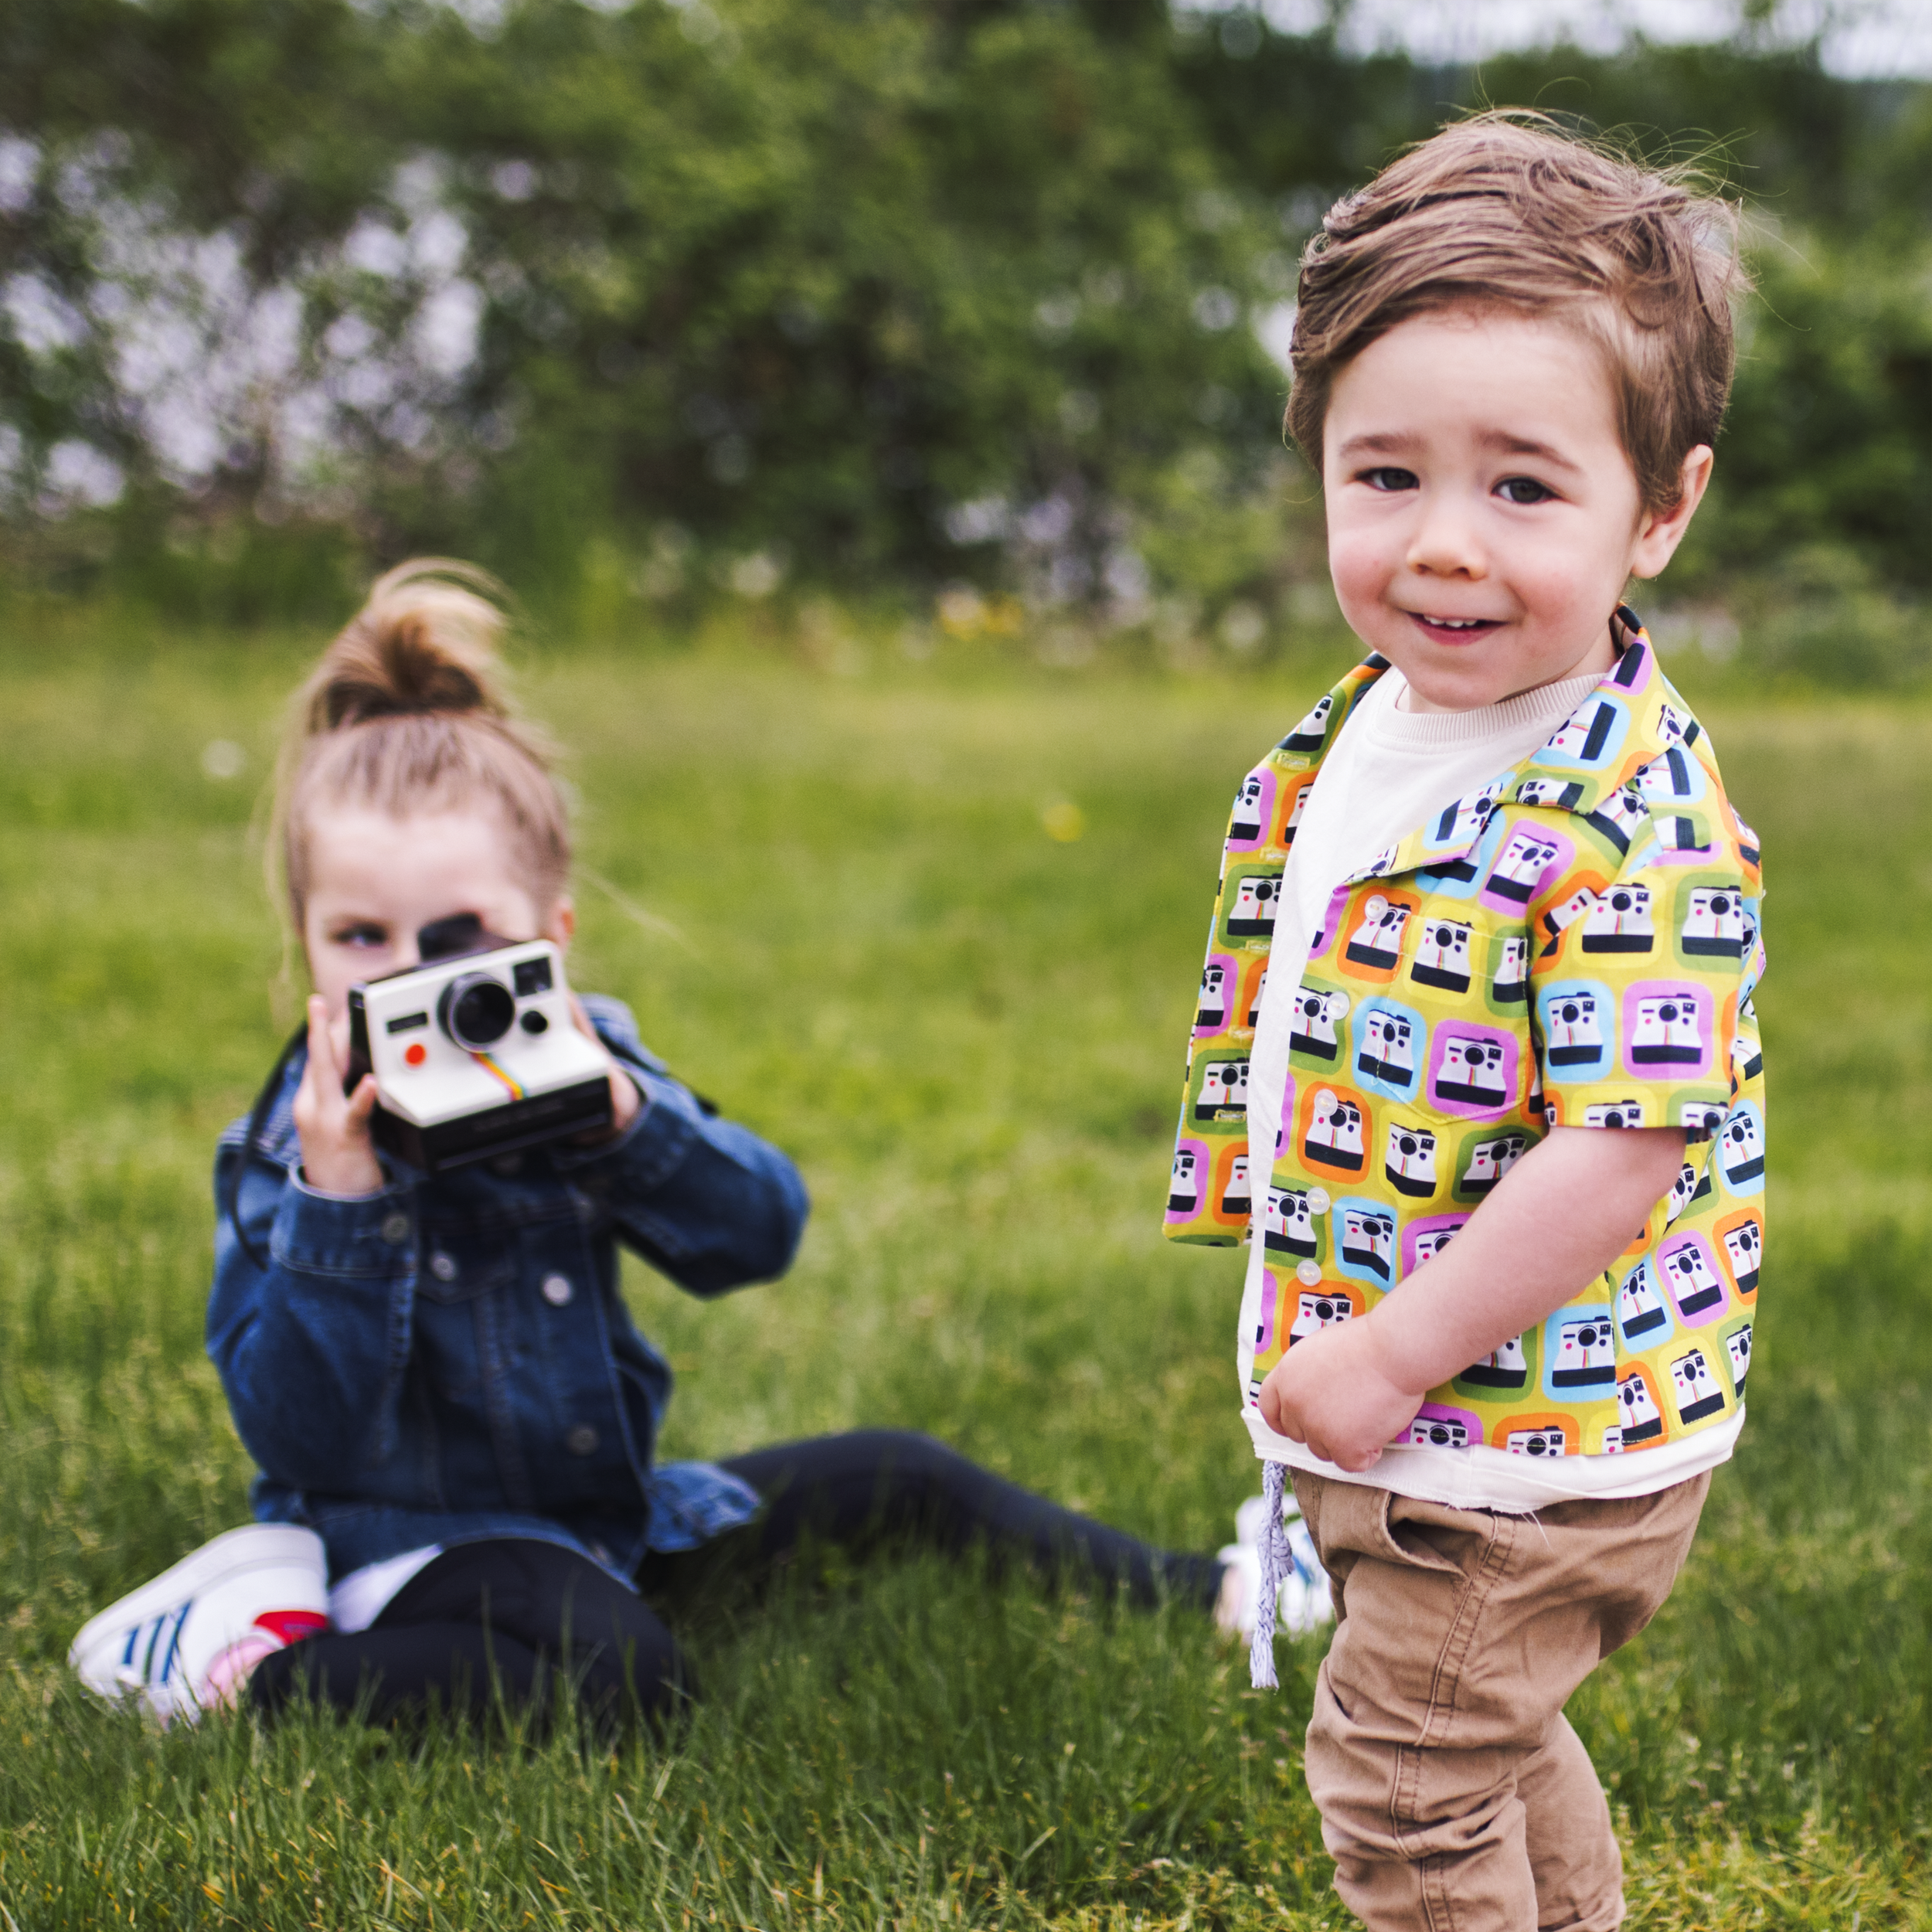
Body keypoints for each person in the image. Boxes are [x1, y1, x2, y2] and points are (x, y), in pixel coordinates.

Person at [70, 559, 1227, 1730]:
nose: (416, 977)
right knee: (625, 1681)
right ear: (307, 942)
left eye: (461, 938)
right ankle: (242, 1671)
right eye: (364, 937)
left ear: (552, 936)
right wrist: (343, 1198)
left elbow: (758, 1237)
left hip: (605, 1525)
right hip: (400, 1548)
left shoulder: (588, 1061)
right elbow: (297, 1435)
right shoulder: (295, 1142)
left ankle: (1213, 1591)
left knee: (901, 1471)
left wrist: (623, 1122)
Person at [1164, 116, 1766, 1931]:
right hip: (1422, 1410)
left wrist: (1389, 1351)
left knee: (1403, 1777)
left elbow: (1621, 1146)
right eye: (1382, 474)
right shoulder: (1378, 719)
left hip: (1526, 1433)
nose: (1440, 544)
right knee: (1475, 1735)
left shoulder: (1626, 813)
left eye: (1520, 488)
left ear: (1657, 508)